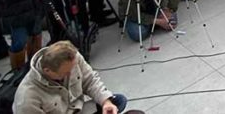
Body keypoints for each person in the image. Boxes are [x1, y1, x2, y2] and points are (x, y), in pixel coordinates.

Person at [13, 40, 143, 114]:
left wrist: (105, 102)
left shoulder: (72, 57)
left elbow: (90, 80)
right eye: (65, 73)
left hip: (79, 109)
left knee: (118, 101)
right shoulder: (27, 98)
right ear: (48, 71)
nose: (70, 74)